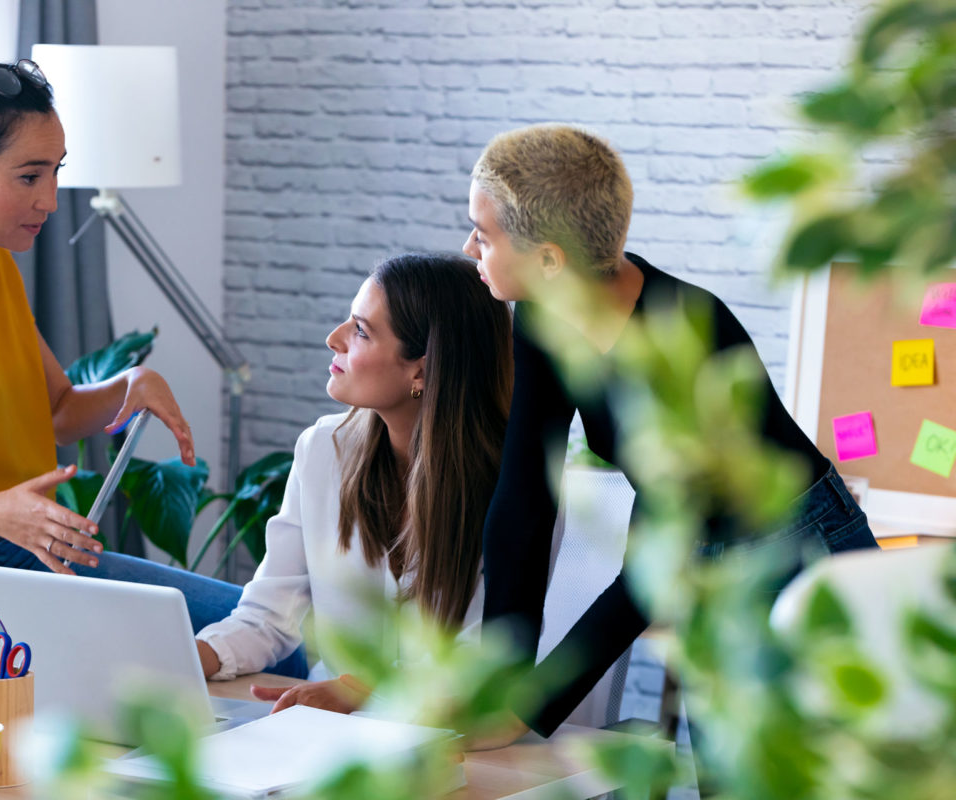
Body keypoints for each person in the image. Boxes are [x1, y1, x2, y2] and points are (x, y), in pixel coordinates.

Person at [0, 35, 297, 676]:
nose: (48, 199)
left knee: (273, 640)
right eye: (27, 176)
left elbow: (58, 409)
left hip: (32, 551)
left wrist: (132, 384)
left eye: (54, 171)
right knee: (241, 655)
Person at [462, 124, 880, 747]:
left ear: (549, 259)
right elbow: (523, 498)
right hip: (713, 565)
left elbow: (650, 572)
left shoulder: (686, 340)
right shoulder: (543, 315)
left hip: (800, 552)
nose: (469, 247)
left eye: (483, 233)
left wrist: (529, 709)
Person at [192, 252, 513, 713]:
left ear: (421, 370)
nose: (334, 338)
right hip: (325, 728)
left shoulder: (509, 488)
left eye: (361, 331)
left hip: (453, 740)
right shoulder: (322, 450)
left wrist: (365, 694)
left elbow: (484, 663)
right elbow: (268, 616)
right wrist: (189, 659)